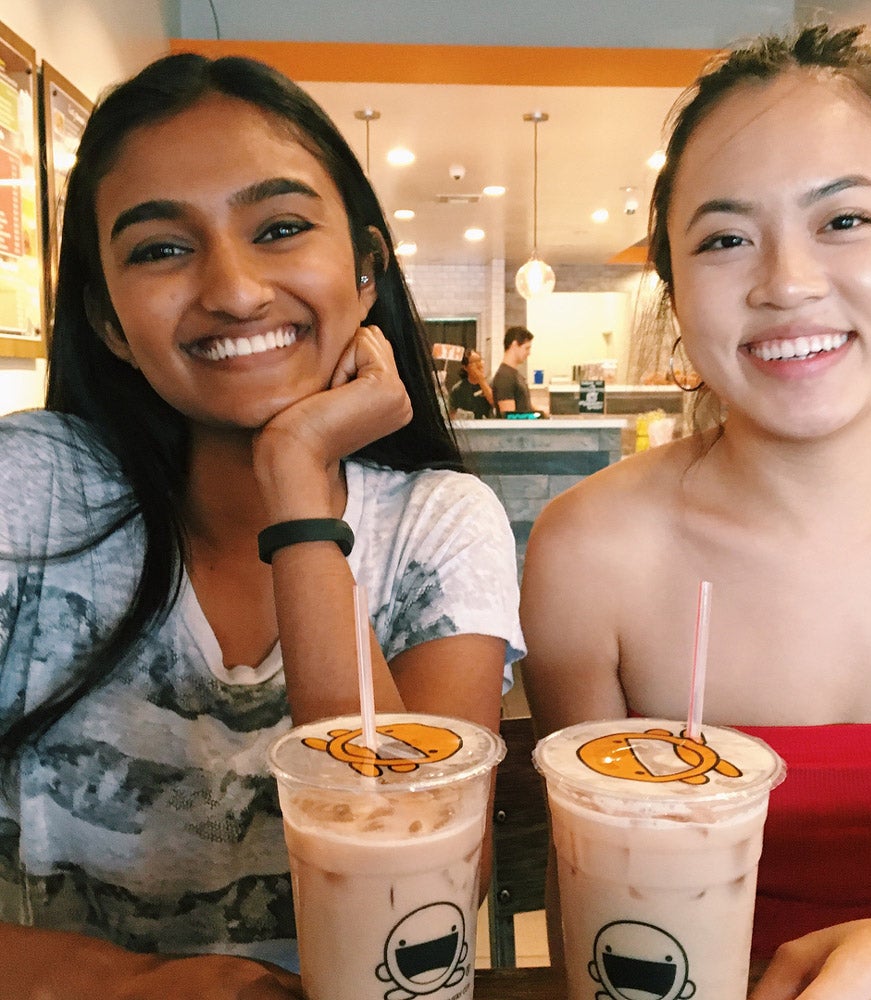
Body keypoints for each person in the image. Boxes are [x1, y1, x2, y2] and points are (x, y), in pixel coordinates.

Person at [0, 52, 524, 999]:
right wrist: (129, 986)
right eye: (161, 248)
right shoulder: (28, 493)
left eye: (280, 229)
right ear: (108, 322)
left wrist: (299, 490)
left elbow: (426, 886)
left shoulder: (441, 526)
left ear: (366, 273)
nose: (235, 290)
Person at [520, 23, 871, 1000]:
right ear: (677, 290)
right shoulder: (588, 551)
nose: (784, 282)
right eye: (725, 238)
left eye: (845, 220)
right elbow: (589, 901)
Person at [492, 325, 536, 415]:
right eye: (526, 348)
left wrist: (541, 413)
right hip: (516, 429)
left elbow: (525, 406)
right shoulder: (505, 377)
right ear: (514, 345)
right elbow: (509, 416)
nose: (529, 353)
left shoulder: (515, 375)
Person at [448, 348, 495, 418]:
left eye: (480, 360)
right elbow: (451, 415)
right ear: (465, 367)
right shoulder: (457, 389)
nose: (479, 365)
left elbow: (494, 403)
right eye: (474, 362)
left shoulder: (490, 384)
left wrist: (481, 380)